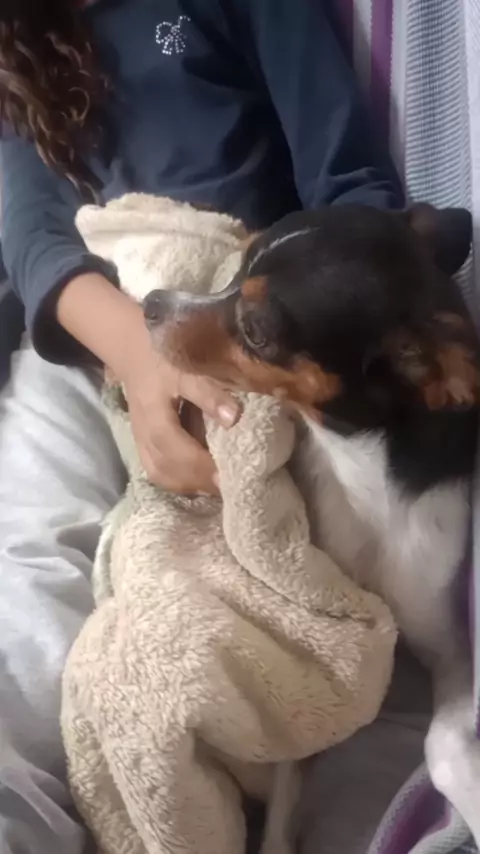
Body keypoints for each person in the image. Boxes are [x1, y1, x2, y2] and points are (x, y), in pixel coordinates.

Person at [0, 1, 405, 852]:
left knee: (243, 580)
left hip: (239, 308)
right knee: (29, 571)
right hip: (83, 340)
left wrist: (245, 335)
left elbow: (355, 195)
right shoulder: (14, 42)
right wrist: (141, 358)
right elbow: (34, 240)